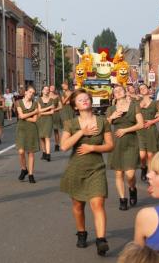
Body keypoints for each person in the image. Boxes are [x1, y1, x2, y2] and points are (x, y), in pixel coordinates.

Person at [60, 89, 114, 256]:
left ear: (91, 102)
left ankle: (101, 240)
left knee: (97, 204)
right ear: (75, 106)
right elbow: (64, 146)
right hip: (76, 169)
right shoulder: (70, 123)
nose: (84, 101)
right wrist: (82, 132)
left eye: (86, 98)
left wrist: (92, 147)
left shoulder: (102, 121)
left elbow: (110, 145)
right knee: (78, 205)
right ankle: (81, 232)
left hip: (96, 168)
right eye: (80, 99)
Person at [107, 85, 144, 211]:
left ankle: (132, 189)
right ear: (113, 95)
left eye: (120, 90)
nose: (117, 92)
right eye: (115, 91)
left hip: (131, 143)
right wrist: (112, 117)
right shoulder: (111, 109)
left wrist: (125, 130)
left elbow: (141, 124)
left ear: (125, 92)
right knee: (118, 173)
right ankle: (123, 199)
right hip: (116, 143)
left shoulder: (134, 106)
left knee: (130, 174)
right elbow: (105, 125)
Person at [137, 84, 159, 182]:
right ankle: (143, 167)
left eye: (144, 88)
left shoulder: (155, 103)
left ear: (148, 90)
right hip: (140, 131)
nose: (143, 89)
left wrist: (152, 121)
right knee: (142, 155)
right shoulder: (137, 103)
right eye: (141, 89)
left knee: (150, 155)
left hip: (150, 130)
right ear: (139, 92)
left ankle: (150, 176)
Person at [15, 86, 40, 183]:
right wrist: (33, 112)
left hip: (32, 129)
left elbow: (35, 119)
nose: (31, 94)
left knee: (31, 152)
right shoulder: (19, 102)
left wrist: (24, 117)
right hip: (21, 129)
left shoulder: (35, 103)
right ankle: (24, 168)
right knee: (21, 151)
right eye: (30, 92)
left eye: (33, 93)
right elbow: (20, 116)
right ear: (25, 92)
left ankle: (30, 174)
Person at [37, 86, 55, 162]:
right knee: (41, 137)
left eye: (48, 90)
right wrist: (49, 107)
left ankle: (48, 155)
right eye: (45, 89)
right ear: (42, 91)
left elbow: (52, 112)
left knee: (47, 137)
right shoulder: (38, 99)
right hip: (40, 120)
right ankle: (44, 153)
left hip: (48, 120)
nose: (47, 91)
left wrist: (43, 112)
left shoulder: (51, 100)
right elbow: (39, 110)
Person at [50, 85, 63, 151]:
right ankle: (46, 147)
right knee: (47, 131)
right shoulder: (45, 96)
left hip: (55, 115)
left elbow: (60, 106)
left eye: (53, 87)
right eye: (51, 87)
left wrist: (54, 110)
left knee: (56, 130)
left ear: (55, 89)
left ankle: (57, 144)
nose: (52, 88)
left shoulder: (57, 97)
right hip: (47, 115)